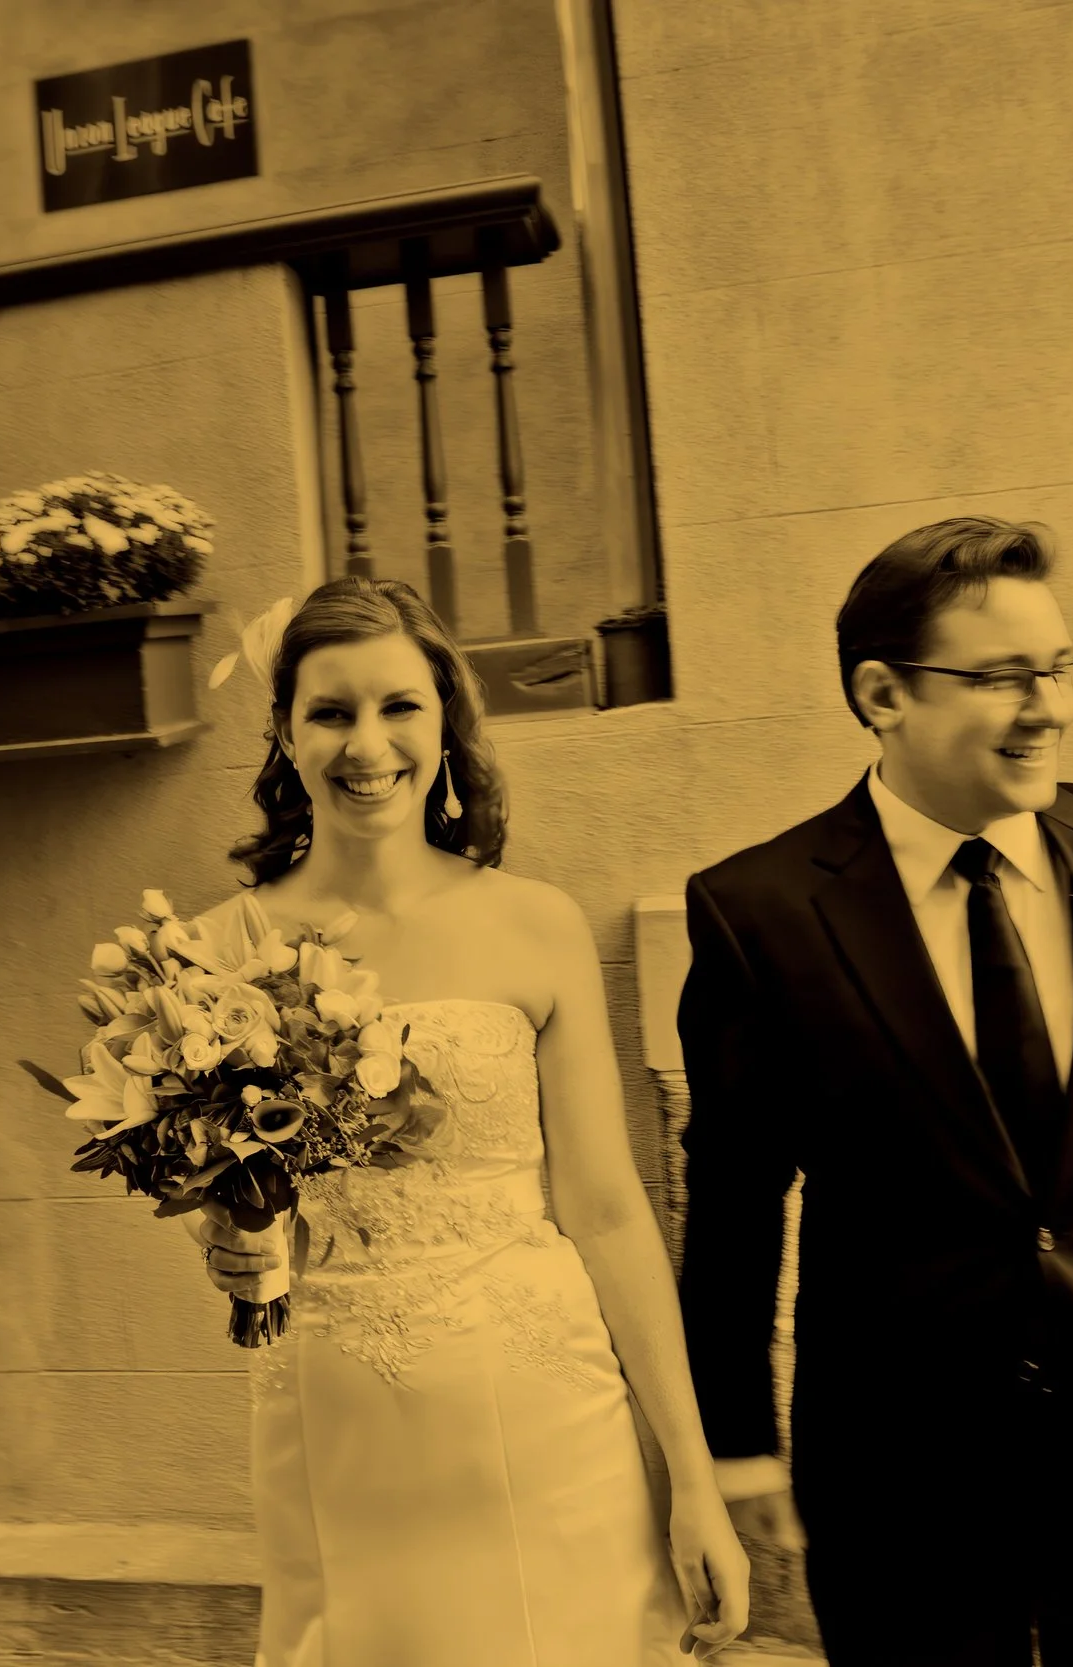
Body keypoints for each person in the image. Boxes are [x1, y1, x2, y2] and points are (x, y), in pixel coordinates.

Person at [676, 516, 1073, 1665]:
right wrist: (736, 1440)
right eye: (1004, 677)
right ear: (883, 693)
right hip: (907, 1477)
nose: (1051, 706)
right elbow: (733, 1202)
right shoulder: (760, 911)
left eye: (1063, 666)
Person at [190, 575, 748, 1665]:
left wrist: (694, 1477)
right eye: (330, 711)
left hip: (549, 1411)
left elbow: (606, 1210)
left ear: (445, 715)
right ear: (285, 735)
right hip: (338, 1416)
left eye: (398, 705)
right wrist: (229, 1238)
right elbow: (233, 1214)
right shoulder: (216, 953)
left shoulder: (535, 924)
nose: (367, 745)